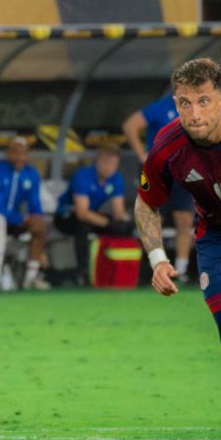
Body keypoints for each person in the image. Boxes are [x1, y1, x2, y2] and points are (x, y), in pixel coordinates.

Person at [135, 57, 221, 341]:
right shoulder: (167, 146)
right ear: (175, 103)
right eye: (185, 103)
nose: (194, 114)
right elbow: (146, 203)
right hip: (215, 236)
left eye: (204, 101)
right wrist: (158, 259)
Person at [122, 91, 194, 281]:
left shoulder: (198, 109)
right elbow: (130, 125)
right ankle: (154, 268)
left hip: (183, 171)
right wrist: (142, 155)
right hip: (157, 171)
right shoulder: (161, 106)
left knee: (184, 220)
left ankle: (180, 270)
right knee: (152, 217)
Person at [55, 145, 132, 285]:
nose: (110, 168)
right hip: (66, 216)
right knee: (82, 226)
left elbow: (118, 212)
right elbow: (82, 213)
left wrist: (125, 221)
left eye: (114, 164)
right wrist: (108, 223)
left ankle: (119, 270)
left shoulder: (116, 179)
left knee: (124, 227)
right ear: (97, 162)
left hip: (93, 216)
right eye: (106, 163)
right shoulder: (83, 175)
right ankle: (83, 272)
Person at [0, 137, 49, 291]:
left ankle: (31, 278)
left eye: (24, 153)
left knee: (40, 226)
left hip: (16, 221)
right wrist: (20, 218)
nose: (20, 157)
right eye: (15, 152)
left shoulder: (31, 174)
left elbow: (35, 203)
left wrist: (35, 218)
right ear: (8, 153)